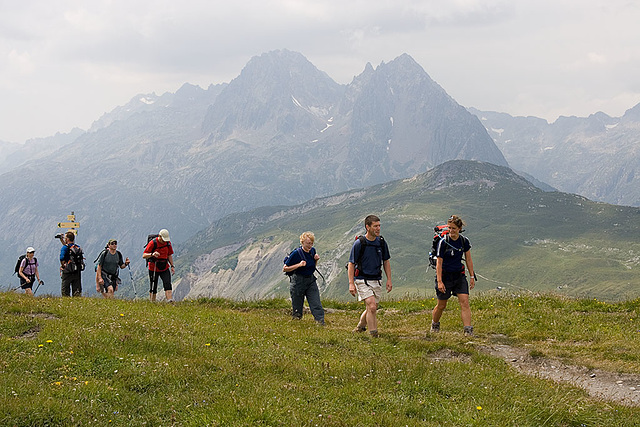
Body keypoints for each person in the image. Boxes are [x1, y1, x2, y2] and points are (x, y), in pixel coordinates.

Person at [430, 215, 476, 336]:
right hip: (445, 276)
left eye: (454, 228)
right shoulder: (443, 242)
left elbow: (468, 259)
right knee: (441, 305)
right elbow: (439, 263)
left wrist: (471, 276)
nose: (451, 231)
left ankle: (468, 330)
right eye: (449, 228)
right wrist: (440, 282)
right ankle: (435, 324)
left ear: (459, 228)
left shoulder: (464, 241)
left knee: (464, 302)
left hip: (459, 276)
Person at [347, 215, 392, 338]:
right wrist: (351, 283)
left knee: (372, 308)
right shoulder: (359, 243)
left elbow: (386, 261)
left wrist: (389, 279)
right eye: (375, 226)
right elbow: (351, 264)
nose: (378, 228)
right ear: (367, 227)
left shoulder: (381, 242)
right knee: (371, 306)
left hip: (376, 279)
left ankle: (360, 326)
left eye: (379, 226)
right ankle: (374, 335)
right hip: (362, 279)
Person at [283, 231, 325, 325]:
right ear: (302, 243)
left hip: (310, 280)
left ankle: (320, 322)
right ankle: (297, 323)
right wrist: (299, 265)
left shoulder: (312, 251)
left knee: (316, 302)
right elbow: (285, 269)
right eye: (308, 243)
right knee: (297, 305)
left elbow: (312, 267)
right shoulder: (296, 254)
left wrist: (316, 260)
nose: (310, 245)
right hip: (298, 281)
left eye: (311, 243)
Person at [142, 229, 175, 302]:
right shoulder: (152, 243)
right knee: (153, 286)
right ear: (159, 236)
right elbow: (144, 255)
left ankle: (169, 301)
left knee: (167, 284)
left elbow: (169, 255)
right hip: (153, 267)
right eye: (163, 240)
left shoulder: (167, 243)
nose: (164, 241)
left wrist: (172, 266)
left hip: (165, 266)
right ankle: (152, 302)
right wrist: (152, 254)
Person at [59, 231, 84, 297]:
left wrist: (63, 265)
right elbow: (69, 248)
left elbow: (61, 258)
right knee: (76, 291)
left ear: (67, 239)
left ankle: (67, 303)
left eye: (65, 237)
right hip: (77, 271)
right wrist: (62, 241)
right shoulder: (77, 247)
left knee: (65, 291)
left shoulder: (64, 248)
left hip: (67, 272)